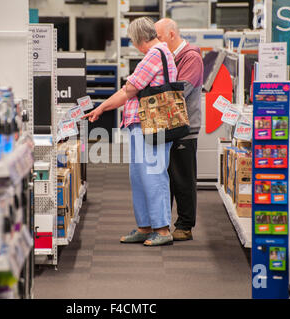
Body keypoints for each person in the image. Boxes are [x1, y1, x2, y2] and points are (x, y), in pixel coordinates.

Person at [83, 17, 177, 246]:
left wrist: (102, 107)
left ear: (138, 40)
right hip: (142, 125)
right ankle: (145, 227)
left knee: (153, 176)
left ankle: (163, 230)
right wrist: (103, 108)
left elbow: (129, 90)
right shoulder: (159, 53)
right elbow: (130, 91)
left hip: (153, 126)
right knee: (139, 177)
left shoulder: (155, 54)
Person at [154, 18, 204, 241]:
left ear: (172, 35)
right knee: (169, 178)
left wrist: (153, 94)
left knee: (183, 178)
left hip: (185, 128)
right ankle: (166, 222)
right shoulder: (170, 57)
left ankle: (185, 226)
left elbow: (180, 91)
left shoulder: (191, 57)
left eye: (159, 37)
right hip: (169, 126)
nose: (157, 42)